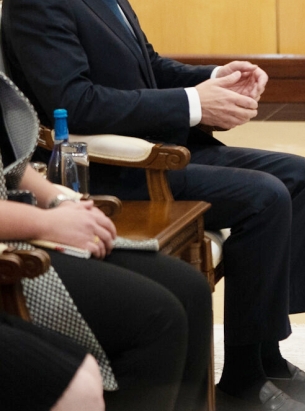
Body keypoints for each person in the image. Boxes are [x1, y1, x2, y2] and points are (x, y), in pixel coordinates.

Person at [1, 0, 305, 410]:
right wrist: (194, 105)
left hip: (160, 144)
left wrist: (214, 78)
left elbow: (147, 64)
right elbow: (76, 103)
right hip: (115, 168)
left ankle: (264, 358)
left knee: (301, 177)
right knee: (266, 196)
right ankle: (244, 382)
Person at [0, 68, 212, 411]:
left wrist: (60, 200)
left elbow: (11, 163)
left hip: (24, 221)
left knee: (190, 289)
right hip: (12, 246)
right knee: (156, 316)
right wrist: (45, 223)